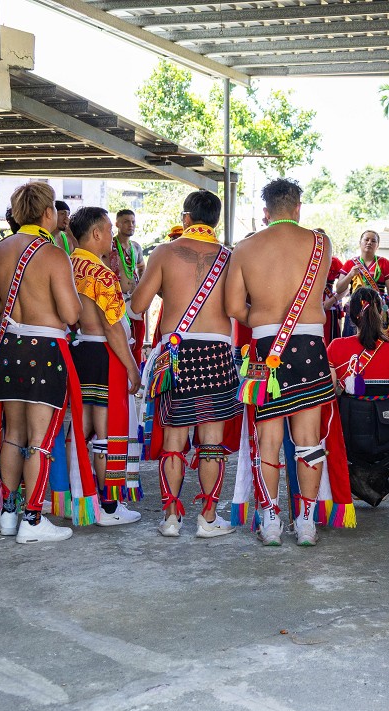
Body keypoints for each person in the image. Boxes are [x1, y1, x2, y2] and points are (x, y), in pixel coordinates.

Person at [226, 178, 340, 547]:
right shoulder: (321, 244)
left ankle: (271, 520)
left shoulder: (244, 248)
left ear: (265, 212)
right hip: (309, 344)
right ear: (297, 208)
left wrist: (261, 321)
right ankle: (306, 522)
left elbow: (232, 308)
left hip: (264, 351)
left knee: (268, 440)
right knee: (308, 440)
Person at [131, 190, 241, 538]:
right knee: (211, 441)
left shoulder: (164, 253)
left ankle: (170, 518)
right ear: (216, 221)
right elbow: (238, 306)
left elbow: (137, 306)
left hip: (177, 354)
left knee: (174, 440)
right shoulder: (230, 257)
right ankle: (208, 518)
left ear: (186, 218)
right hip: (217, 354)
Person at [0, 182, 81, 543]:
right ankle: (34, 521)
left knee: (12, 434)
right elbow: (71, 314)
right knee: (39, 439)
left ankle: (9, 514)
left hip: (8, 346)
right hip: (45, 350)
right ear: (48, 213)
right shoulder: (54, 254)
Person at [67, 206, 143, 526]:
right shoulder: (100, 273)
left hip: (79, 348)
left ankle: (80, 498)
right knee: (106, 431)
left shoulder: (69, 264)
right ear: (96, 233)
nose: (112, 236)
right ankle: (108, 506)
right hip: (103, 353)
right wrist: (131, 367)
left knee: (80, 429)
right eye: (110, 230)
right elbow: (112, 326)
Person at [328, 287, 389, 395]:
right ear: (381, 313)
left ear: (351, 314)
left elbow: (330, 395)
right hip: (387, 411)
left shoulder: (336, 347)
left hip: (347, 411)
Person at [334, 230, 389, 337]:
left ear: (377, 245)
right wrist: (350, 275)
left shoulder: (385, 264)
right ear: (360, 242)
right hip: (355, 311)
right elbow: (339, 289)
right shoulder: (350, 263)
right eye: (366, 239)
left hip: (378, 311)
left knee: (377, 345)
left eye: (373, 241)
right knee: (352, 344)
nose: (369, 243)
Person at [112, 209, 147, 366]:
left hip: (133, 300)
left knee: (137, 339)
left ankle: (135, 382)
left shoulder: (136, 247)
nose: (130, 225)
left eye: (133, 221)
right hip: (116, 300)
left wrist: (141, 286)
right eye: (126, 221)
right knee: (120, 340)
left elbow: (141, 267)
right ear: (117, 224)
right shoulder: (110, 245)